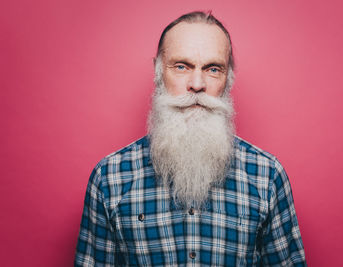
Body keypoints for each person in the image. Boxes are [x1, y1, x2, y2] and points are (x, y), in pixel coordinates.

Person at [75, 11, 307, 267]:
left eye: (213, 69)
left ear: (227, 79)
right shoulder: (109, 178)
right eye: (181, 66)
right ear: (158, 72)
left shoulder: (267, 175)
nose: (197, 84)